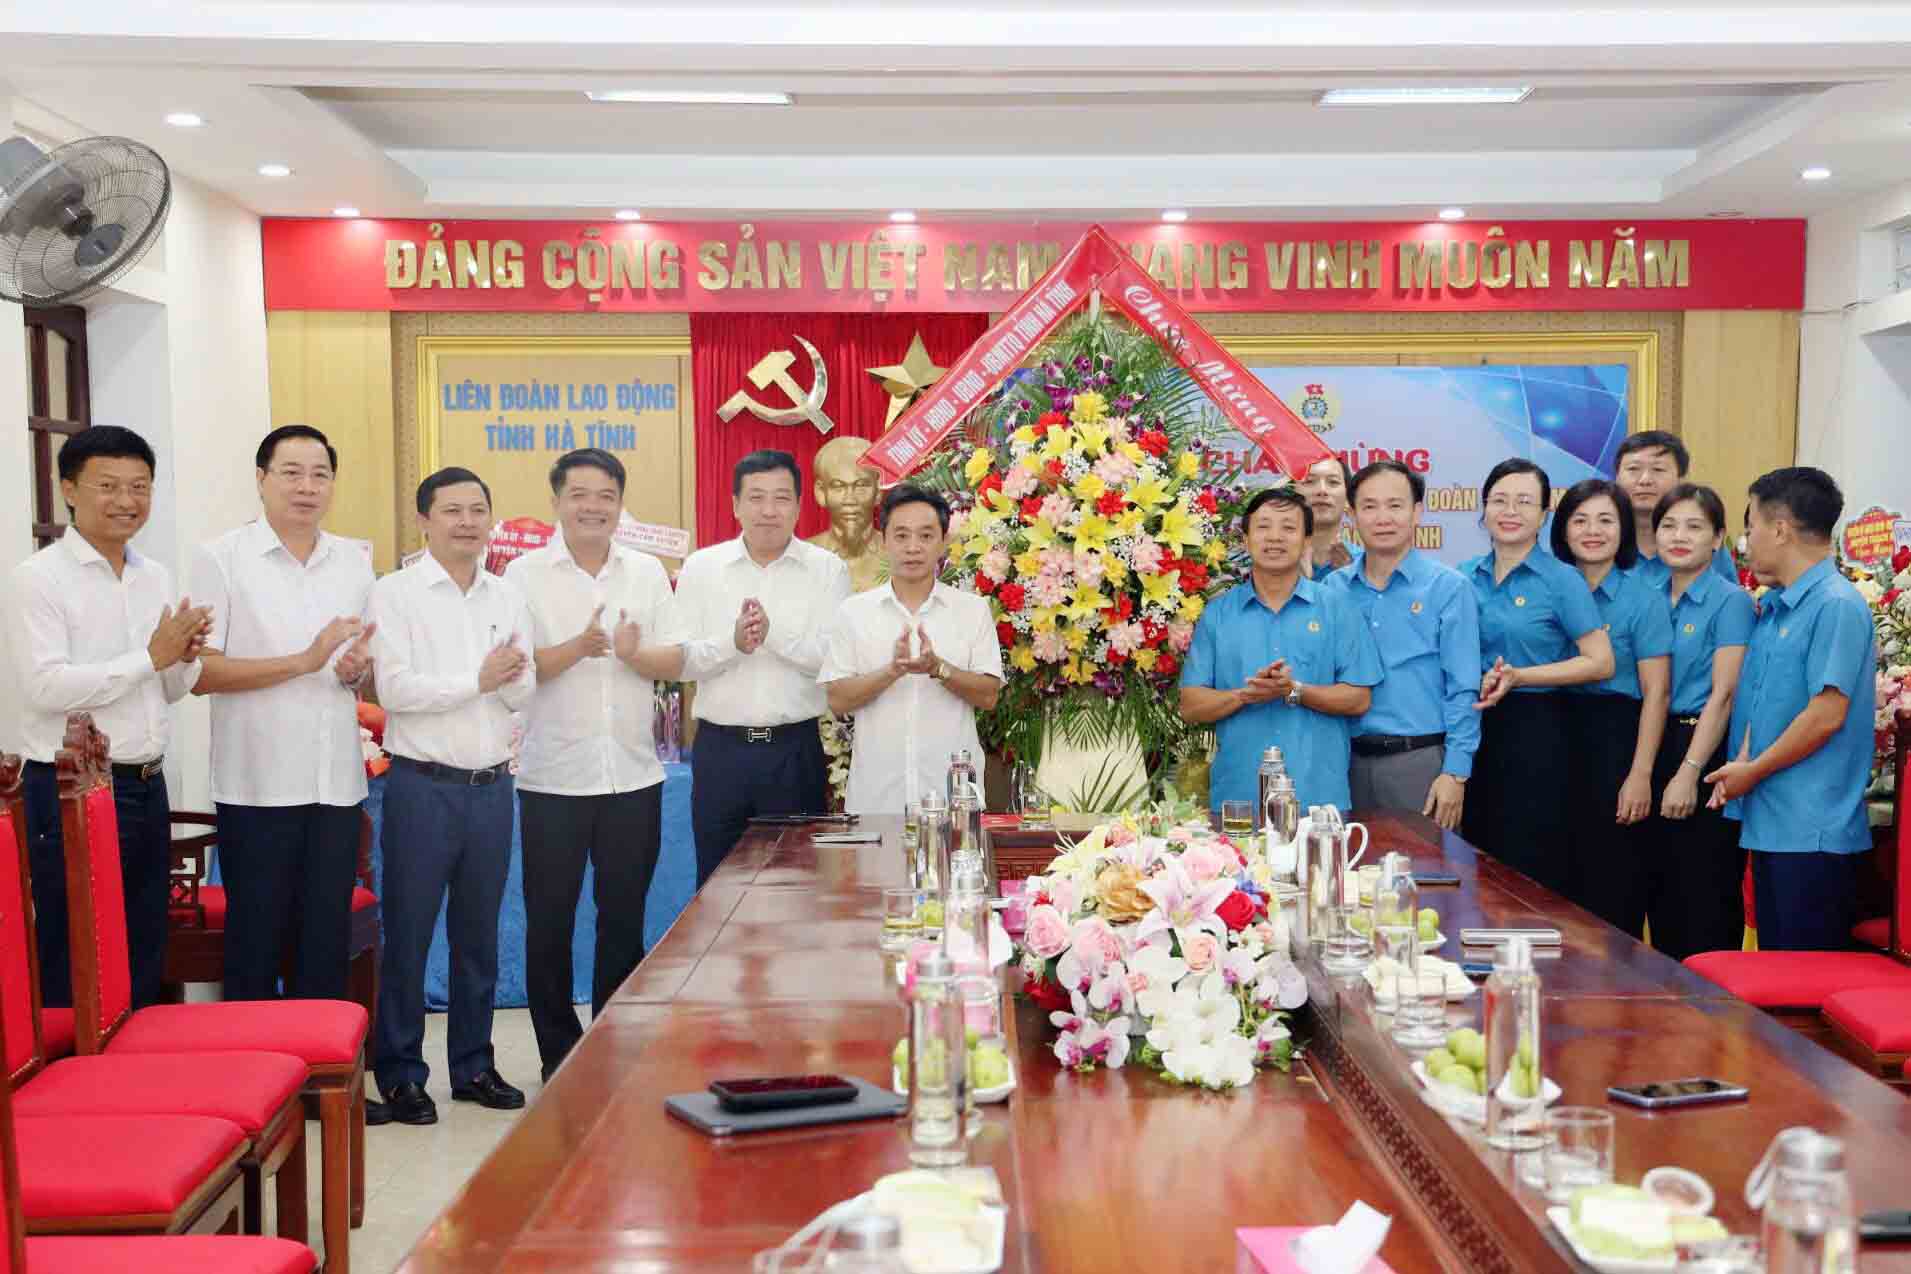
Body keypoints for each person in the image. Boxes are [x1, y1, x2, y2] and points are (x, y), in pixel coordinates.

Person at [6, 426, 209, 1010]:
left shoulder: (156, 576)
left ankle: (133, 1079)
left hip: (147, 781)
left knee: (143, 937)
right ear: (68, 489)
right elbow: (45, 687)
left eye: (140, 487)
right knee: (75, 943)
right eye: (109, 486)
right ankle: (71, 1084)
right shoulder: (38, 579)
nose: (127, 501)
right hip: (71, 788)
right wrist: (152, 657)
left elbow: (167, 688)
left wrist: (181, 658)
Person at [505, 449, 687, 1083]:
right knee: (549, 923)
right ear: (557, 501)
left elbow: (673, 662)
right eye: (579, 494)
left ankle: (612, 1045)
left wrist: (637, 655)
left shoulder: (646, 574)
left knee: (623, 919)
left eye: (605, 495)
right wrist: (579, 649)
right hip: (552, 777)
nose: (592, 506)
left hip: (632, 778)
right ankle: (559, 1056)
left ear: (620, 504)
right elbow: (514, 675)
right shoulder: (521, 577)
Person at [368, 467, 535, 1125]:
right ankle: (403, 1073)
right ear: (425, 521)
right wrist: (479, 679)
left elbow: (523, 690)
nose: (467, 522)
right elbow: (397, 691)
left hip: (492, 786)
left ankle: (473, 1065)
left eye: (477, 510)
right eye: (453, 511)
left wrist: (508, 682)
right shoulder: (395, 593)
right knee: (408, 935)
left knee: (479, 938)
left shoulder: (506, 595)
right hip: (422, 788)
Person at [190, 424, 376, 1004]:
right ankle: (258, 1088)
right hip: (257, 785)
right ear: (261, 479)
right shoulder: (220, 559)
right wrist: (305, 660)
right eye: (292, 473)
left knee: (324, 943)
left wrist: (353, 673)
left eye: (321, 474)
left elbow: (362, 671)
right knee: (256, 943)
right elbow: (201, 674)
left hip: (335, 784)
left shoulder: (354, 560)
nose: (307, 487)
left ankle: (324, 1087)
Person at [1706, 467, 1876, 952]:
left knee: (1806, 988)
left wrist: (1753, 772)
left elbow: (1827, 714)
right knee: (1777, 981)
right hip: (1772, 824)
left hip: (1813, 832)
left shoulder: (1837, 605)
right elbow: (1761, 704)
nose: (1745, 542)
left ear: (1779, 529)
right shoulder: (1777, 607)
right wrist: (1741, 769)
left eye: (1750, 527)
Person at [676, 450, 851, 884]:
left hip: (794, 752)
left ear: (798, 505)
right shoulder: (702, 568)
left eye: (780, 498)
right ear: (735, 505)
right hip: (720, 753)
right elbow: (682, 662)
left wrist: (773, 637)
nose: (768, 511)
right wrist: (732, 643)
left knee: (795, 887)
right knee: (715, 886)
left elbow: (834, 660)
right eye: (755, 498)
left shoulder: (827, 570)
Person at [1181, 486, 1382, 813]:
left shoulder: (1337, 608)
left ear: (1306, 541)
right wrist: (1246, 695)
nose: (1275, 537)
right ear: (1245, 539)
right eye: (1263, 527)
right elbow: (1191, 706)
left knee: (1320, 867)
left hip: (1318, 797)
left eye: (1288, 528)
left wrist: (1294, 690)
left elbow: (1359, 698)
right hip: (1238, 798)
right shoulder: (1218, 614)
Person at [1463, 460, 1613, 893]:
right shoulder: (1461, 576)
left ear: (1545, 513)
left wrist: (1521, 676)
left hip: (1537, 731)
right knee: (1474, 858)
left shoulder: (1561, 579)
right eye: (1500, 500)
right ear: (1484, 508)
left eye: (1525, 501)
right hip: (1472, 727)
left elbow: (1600, 661)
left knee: (1529, 864)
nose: (1511, 510)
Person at [819, 485, 1003, 814]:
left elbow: (989, 696)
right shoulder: (854, 613)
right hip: (876, 801)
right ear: (885, 540)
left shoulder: (972, 610)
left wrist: (939, 669)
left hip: (953, 799)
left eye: (926, 535)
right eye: (901, 536)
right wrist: (892, 671)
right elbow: (837, 699)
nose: (913, 548)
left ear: (943, 542)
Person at [1329, 460, 1481, 827]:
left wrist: (1455, 773)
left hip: (1419, 764)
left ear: (1417, 512)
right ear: (1351, 516)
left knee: (1425, 879)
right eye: (1369, 506)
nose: (1383, 517)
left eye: (1395, 505)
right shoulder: (1332, 589)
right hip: (1342, 764)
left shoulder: (1448, 587)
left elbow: (1464, 688)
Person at [1638, 483, 1753, 959]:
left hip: (1702, 751)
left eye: (1694, 526)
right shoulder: (1647, 595)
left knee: (1701, 895)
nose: (1678, 536)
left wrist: (1689, 772)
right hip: (1652, 743)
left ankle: (1712, 1018)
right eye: (1668, 525)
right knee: (1659, 891)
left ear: (1718, 537)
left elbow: (1724, 695)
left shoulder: (1732, 601)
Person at [1551, 479, 1672, 930]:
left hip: (1616, 743)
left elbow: (1656, 692)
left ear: (1624, 529)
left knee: (1611, 882)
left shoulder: (1643, 598)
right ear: (1562, 530)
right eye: (1579, 520)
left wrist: (1640, 774)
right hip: (1554, 735)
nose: (1592, 531)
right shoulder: (1549, 588)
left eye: (1606, 520)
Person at [1612, 431, 1737, 586]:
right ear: (1616, 478)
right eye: (1633, 469)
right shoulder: (1599, 539)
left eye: (1658, 470)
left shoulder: (1705, 546)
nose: (1645, 480)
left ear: (1680, 480)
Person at [808, 435, 888, 594]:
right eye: (838, 486)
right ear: (821, 492)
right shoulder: (801, 558)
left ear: (878, 491)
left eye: (861, 485)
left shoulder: (901, 556)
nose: (850, 499)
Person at [1297, 456, 1355, 582]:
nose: (1322, 491)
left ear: (1347, 499)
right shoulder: (1271, 560)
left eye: (1333, 482)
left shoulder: (1367, 564)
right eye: (1309, 481)